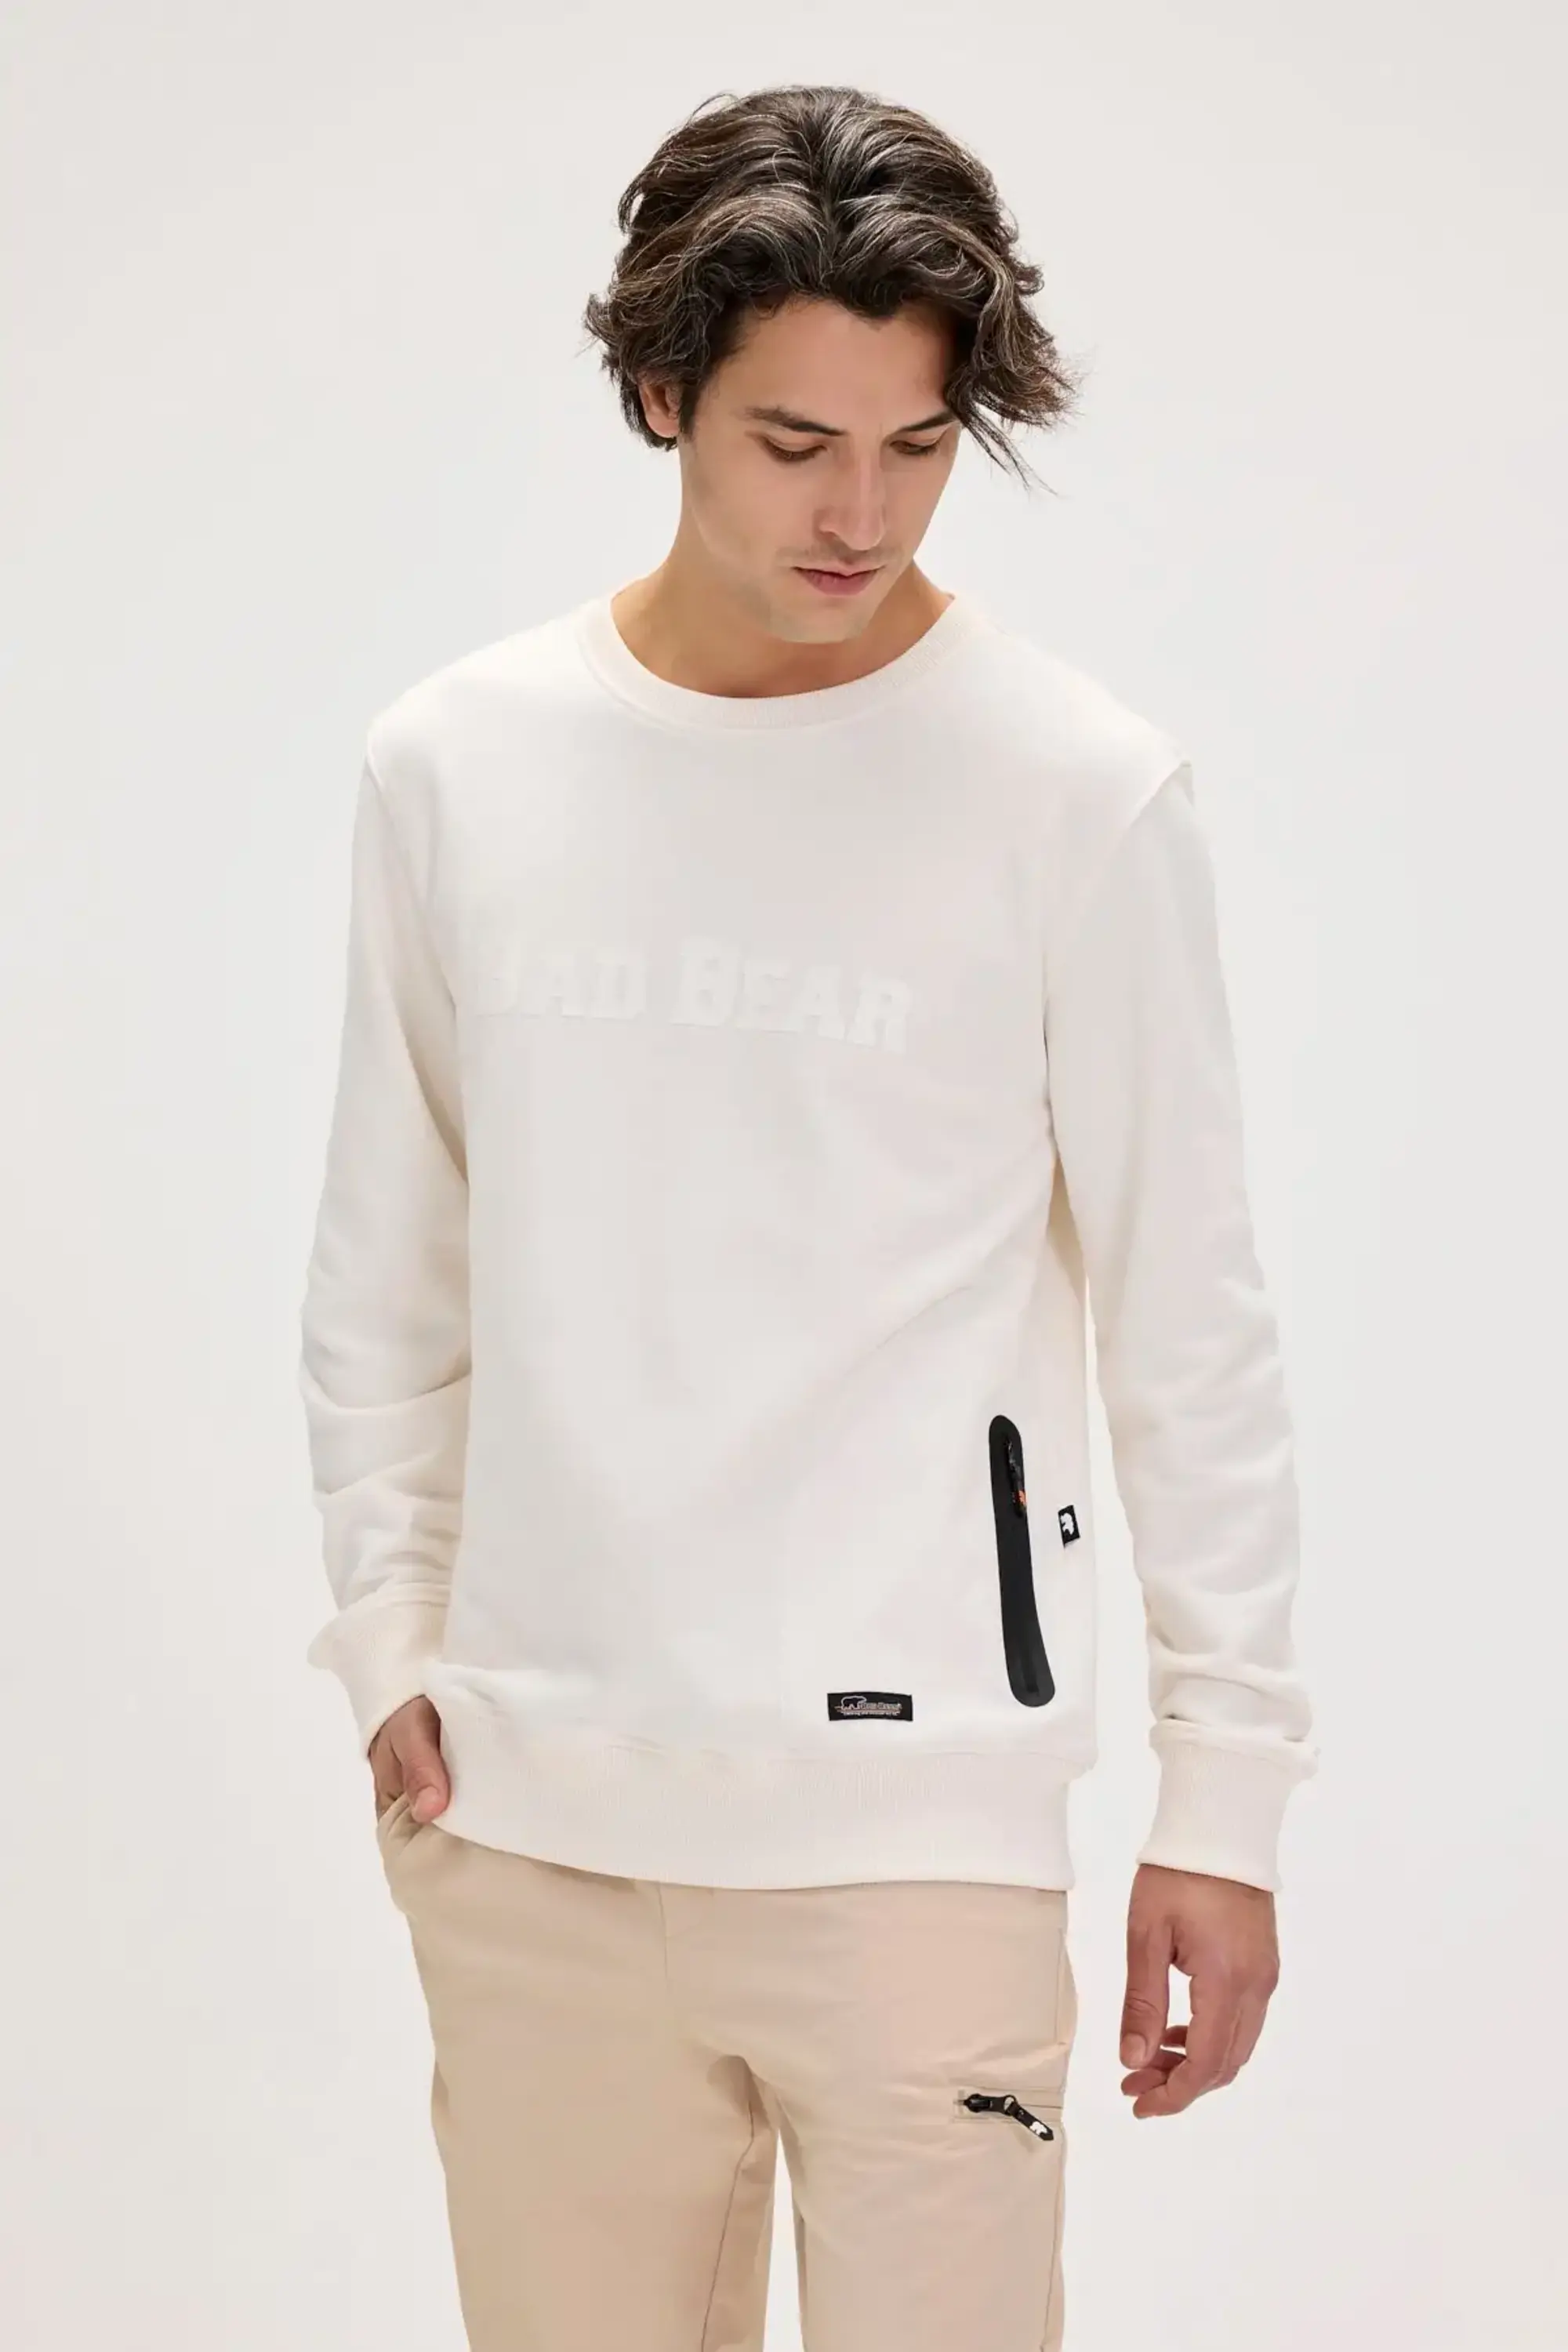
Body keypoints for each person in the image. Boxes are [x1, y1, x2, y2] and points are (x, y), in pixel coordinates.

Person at [297, 79, 1317, 2352]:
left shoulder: (1073, 792)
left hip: (920, 1848)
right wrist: (389, 1643)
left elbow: (1193, 1324)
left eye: (920, 444)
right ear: (660, 390)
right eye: (794, 443)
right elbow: (389, 1269)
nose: (862, 513)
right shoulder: (459, 766)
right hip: (534, 1839)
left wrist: (1225, 1798)